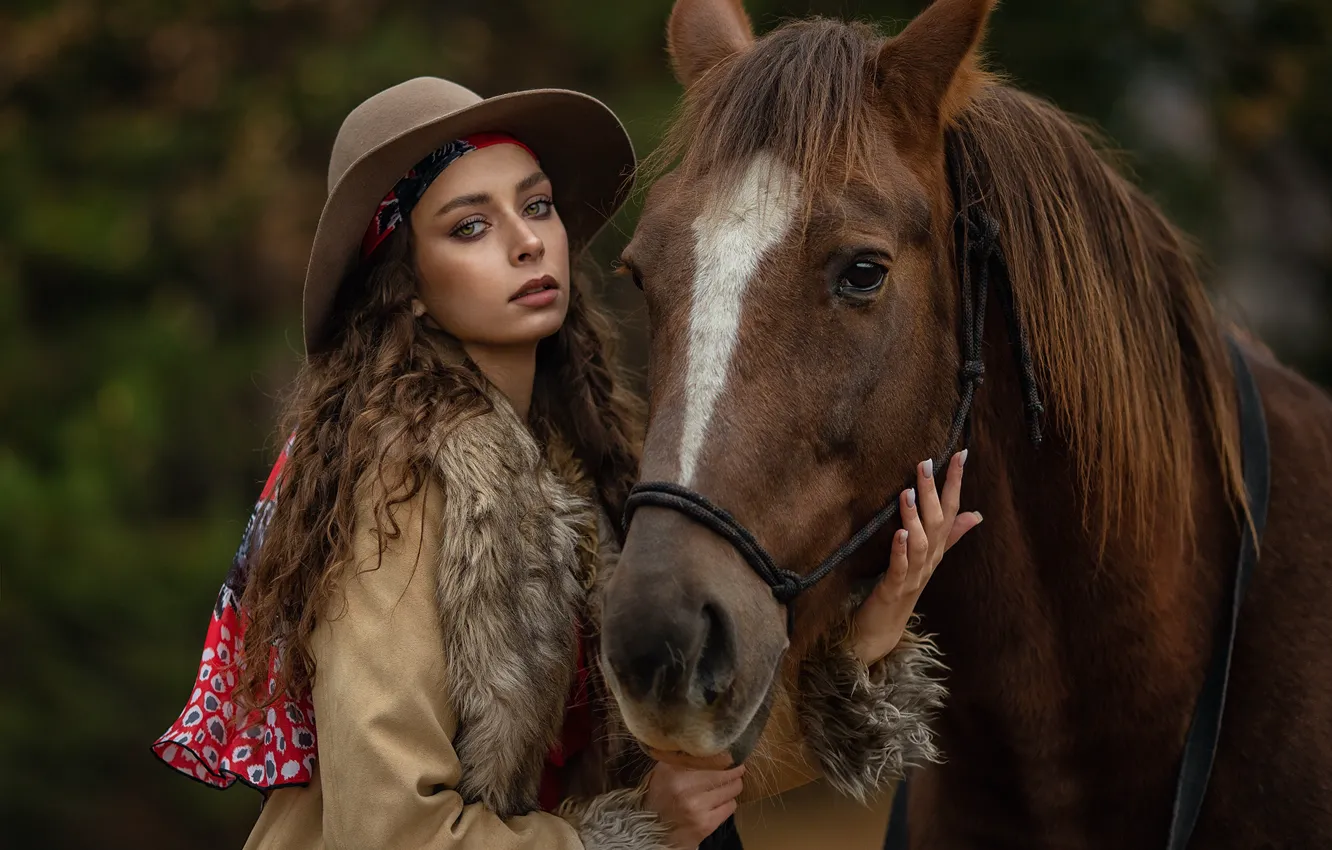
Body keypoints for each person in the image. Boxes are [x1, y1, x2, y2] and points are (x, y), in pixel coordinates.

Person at [152, 76, 982, 850]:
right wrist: (621, 837)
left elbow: (680, 776)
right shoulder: (396, 479)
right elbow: (391, 828)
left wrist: (868, 639)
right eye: (470, 226)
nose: (525, 243)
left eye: (537, 206)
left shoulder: (578, 465)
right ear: (404, 285)